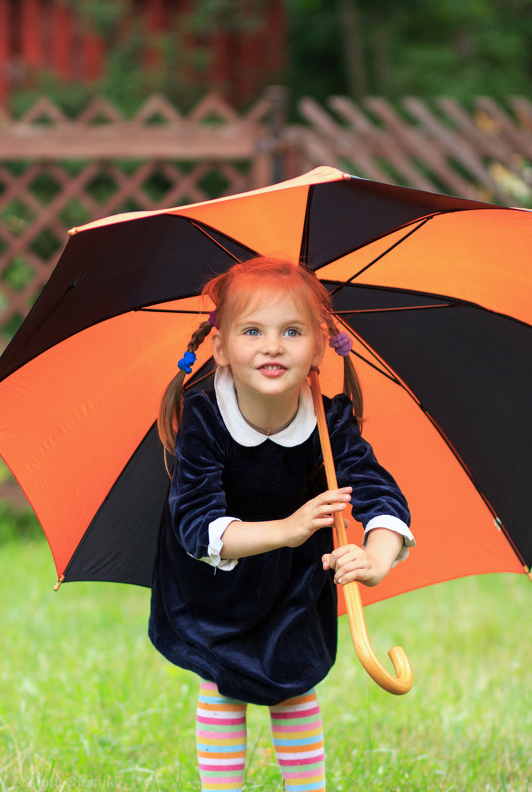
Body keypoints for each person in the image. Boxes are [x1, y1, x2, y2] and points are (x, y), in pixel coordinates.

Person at [149, 256, 413, 792]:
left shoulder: (328, 421)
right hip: (216, 583)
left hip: (293, 581)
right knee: (223, 682)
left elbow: (380, 493)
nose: (272, 346)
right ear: (220, 347)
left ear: (318, 347)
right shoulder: (204, 418)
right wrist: (289, 528)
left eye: (291, 331)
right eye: (252, 331)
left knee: (293, 681)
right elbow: (197, 525)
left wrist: (377, 558)